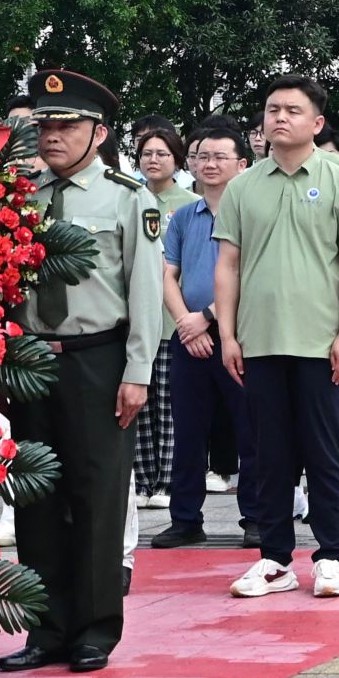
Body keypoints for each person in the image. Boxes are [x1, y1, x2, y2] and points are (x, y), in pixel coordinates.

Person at [0, 70, 164, 672]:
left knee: (97, 495)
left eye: (67, 125)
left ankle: (94, 627)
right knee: (36, 497)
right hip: (33, 360)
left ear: (99, 132)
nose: (53, 136)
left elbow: (144, 290)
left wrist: (138, 369)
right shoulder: (22, 196)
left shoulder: (126, 196)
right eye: (45, 125)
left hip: (99, 357)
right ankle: (47, 628)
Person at [218, 76, 339, 601]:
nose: (279, 118)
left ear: (317, 123)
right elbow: (229, 263)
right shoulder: (243, 186)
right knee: (267, 455)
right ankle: (275, 559)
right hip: (258, 341)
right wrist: (227, 333)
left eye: (292, 110)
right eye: (272, 109)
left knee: (325, 452)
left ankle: (331, 557)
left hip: (320, 341)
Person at [152, 123, 262, 547]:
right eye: (201, 156)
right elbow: (168, 274)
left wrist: (209, 318)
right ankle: (185, 518)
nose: (209, 164)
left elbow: (251, 274)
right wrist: (186, 322)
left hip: (240, 338)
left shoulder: (251, 215)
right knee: (189, 430)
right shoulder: (182, 217)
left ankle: (255, 516)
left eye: (219, 156)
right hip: (189, 341)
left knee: (250, 430)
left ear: (242, 164)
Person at [132, 126, 197, 511]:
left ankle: (168, 481)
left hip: (175, 319)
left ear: (177, 159)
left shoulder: (188, 204)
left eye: (162, 153)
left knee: (170, 405)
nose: (153, 160)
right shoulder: (130, 198)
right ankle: (143, 479)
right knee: (139, 401)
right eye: (146, 153)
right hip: (137, 319)